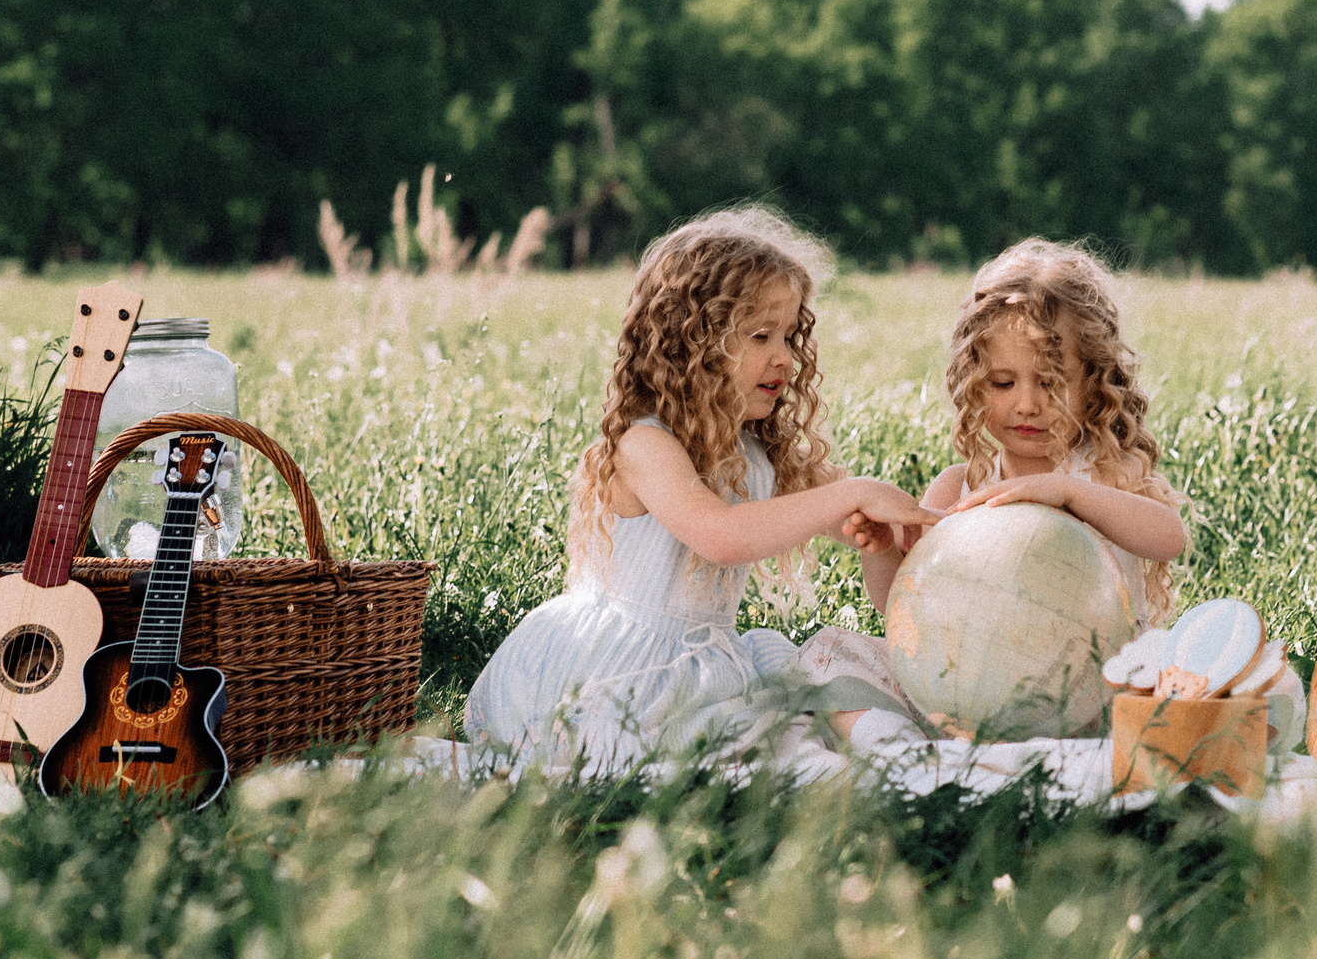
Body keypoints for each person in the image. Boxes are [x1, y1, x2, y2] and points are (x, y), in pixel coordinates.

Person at [465, 209, 935, 771]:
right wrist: (852, 492)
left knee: (805, 706)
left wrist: (881, 534)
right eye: (760, 336)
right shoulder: (644, 444)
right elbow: (720, 535)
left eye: (788, 336)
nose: (784, 357)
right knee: (719, 752)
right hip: (618, 671)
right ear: (691, 345)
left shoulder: (759, 450)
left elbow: (856, 535)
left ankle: (896, 758)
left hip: (705, 661)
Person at [847, 237, 1188, 627]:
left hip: (1097, 673)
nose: (1027, 404)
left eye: (1049, 383)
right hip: (983, 677)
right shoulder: (960, 488)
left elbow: (1168, 539)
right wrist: (882, 551)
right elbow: (904, 597)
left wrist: (1070, 493)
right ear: (974, 385)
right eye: (1003, 384)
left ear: (1093, 381)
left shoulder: (1104, 472)